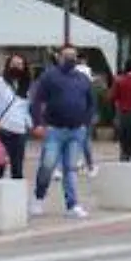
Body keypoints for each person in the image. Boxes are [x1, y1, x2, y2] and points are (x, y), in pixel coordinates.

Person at [29, 45, 93, 220]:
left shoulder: (82, 79)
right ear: (59, 58)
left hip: (76, 130)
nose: (71, 59)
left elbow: (90, 102)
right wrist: (38, 123)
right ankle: (38, 197)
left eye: (73, 56)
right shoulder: (49, 76)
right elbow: (37, 100)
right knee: (47, 165)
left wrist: (85, 124)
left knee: (70, 169)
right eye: (67, 56)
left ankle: (72, 204)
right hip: (54, 129)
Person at [0, 53, 33, 183]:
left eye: (20, 64)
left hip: (19, 131)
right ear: (8, 65)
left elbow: (25, 109)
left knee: (17, 170)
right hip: (0, 131)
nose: (17, 67)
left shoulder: (25, 87)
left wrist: (30, 125)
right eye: (14, 64)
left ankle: (16, 202)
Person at [73, 55, 99, 177]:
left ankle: (79, 162)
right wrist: (93, 114)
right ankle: (88, 165)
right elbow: (92, 102)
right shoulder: (89, 85)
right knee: (84, 140)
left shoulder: (73, 83)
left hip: (75, 115)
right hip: (85, 116)